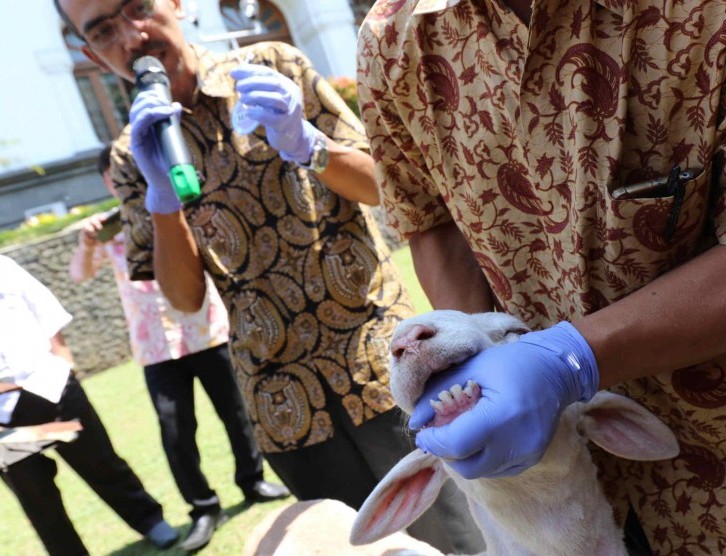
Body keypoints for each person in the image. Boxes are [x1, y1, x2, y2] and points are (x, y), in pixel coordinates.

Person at [356, 1, 726, 554]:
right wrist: (469, 356)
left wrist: (569, 360)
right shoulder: (395, 35)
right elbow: (432, 220)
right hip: (552, 495)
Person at [53, 1, 485, 553]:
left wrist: (309, 143)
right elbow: (183, 300)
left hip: (387, 373)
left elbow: (387, 188)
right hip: (286, 410)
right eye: (104, 31)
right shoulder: (130, 154)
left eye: (137, 8)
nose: (132, 36)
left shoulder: (271, 68)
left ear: (177, 5)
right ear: (90, 53)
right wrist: (163, 200)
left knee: (461, 541)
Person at [68, 143, 290, 552]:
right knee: (175, 431)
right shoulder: (102, 228)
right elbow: (79, 275)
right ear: (107, 180)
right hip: (156, 347)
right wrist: (85, 246)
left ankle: (252, 480)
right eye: (113, 175)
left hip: (203, 328)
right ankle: (203, 507)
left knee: (237, 413)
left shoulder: (173, 202)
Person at [0, 254, 179, 555]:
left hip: (48, 386)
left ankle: (149, 520)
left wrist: (63, 358)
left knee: (98, 460)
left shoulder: (3, 266)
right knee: (35, 493)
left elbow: (44, 310)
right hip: (4, 414)